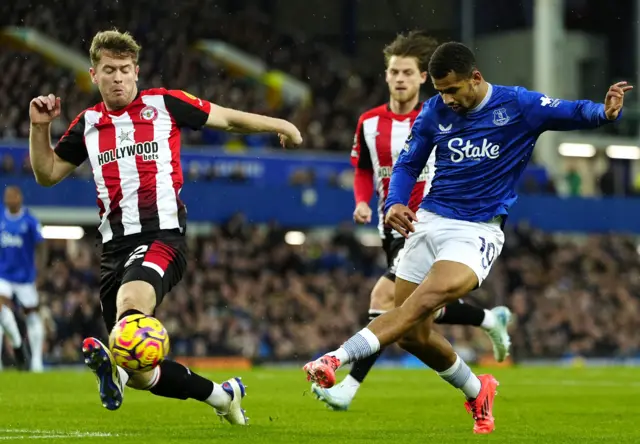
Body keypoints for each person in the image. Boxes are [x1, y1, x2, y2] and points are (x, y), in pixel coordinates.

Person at [304, 41, 632, 434]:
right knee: (412, 335)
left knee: (424, 300)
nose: (447, 99)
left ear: (475, 79)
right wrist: (393, 202)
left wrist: (605, 112)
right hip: (429, 221)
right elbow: (408, 163)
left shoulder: (518, 106)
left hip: (477, 230)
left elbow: (572, 111)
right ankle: (478, 389)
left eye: (453, 90)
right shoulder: (435, 111)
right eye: (441, 91)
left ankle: (335, 359)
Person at [29, 29, 302, 425]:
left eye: (125, 69)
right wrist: (40, 129)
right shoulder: (87, 123)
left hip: (162, 237)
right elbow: (47, 173)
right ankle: (222, 396)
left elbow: (225, 118)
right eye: (109, 70)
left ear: (136, 72)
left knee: (131, 309)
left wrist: (281, 123)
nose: (118, 77)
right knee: (144, 372)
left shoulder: (163, 104)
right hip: (114, 248)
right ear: (94, 75)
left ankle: (117, 373)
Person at [311, 31, 512, 412]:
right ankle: (486, 328)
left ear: (423, 78)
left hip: (428, 222)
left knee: (386, 301)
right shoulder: (369, 122)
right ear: (385, 76)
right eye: (393, 72)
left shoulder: (440, 113)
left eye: (407, 72)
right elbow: (363, 170)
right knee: (418, 314)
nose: (399, 78)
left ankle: (347, 385)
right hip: (391, 223)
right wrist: (361, 202)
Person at [0, 186, 43, 371]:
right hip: (3, 276)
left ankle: (36, 362)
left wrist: (40, 272)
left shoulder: (30, 221)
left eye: (12, 196)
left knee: (32, 317)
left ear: (20, 198)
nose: (9, 199)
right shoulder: (1, 219)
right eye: (6, 196)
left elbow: (41, 246)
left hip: (25, 279)